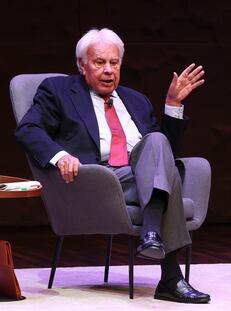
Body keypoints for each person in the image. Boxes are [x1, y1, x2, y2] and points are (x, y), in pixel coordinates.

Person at [15, 28, 210, 303]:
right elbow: (28, 129)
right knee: (165, 181)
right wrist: (61, 156)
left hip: (141, 175)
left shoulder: (136, 100)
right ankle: (169, 276)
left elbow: (164, 154)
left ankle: (152, 234)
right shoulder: (58, 91)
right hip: (98, 179)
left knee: (156, 142)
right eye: (99, 63)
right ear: (82, 66)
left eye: (114, 63)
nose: (109, 70)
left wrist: (173, 104)